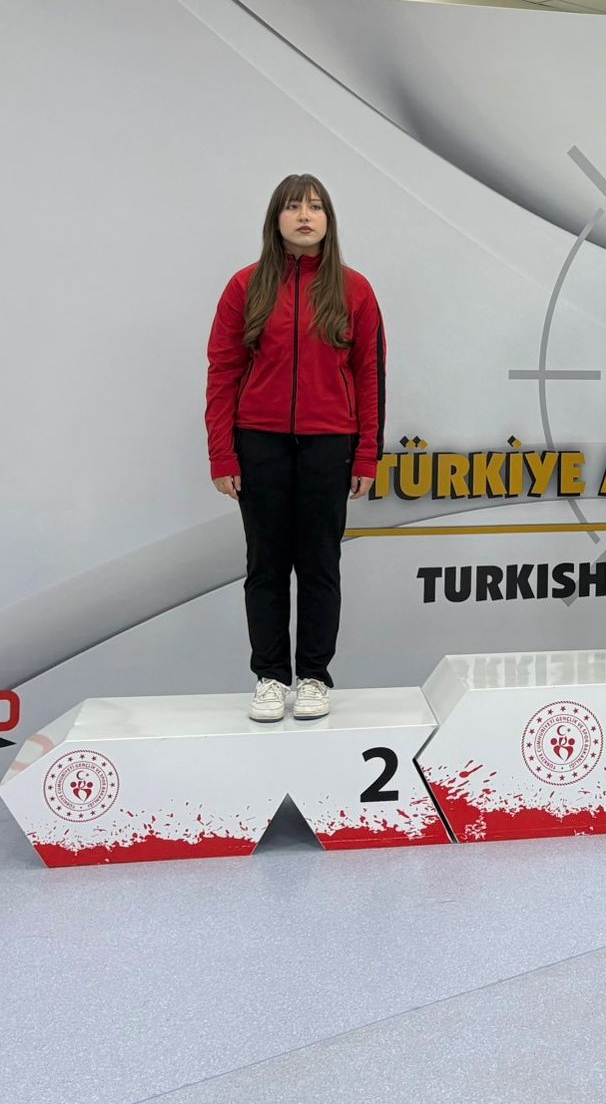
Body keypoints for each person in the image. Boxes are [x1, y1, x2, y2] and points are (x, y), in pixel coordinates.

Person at [205, 174, 385, 722]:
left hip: (330, 444)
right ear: (275, 219)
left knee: (319, 565)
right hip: (259, 444)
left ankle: (312, 677)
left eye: (315, 207)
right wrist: (222, 454)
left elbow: (370, 375)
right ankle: (269, 677)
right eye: (292, 207)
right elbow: (223, 371)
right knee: (265, 565)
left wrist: (367, 453)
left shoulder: (354, 290)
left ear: (329, 220)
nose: (304, 216)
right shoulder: (245, 287)